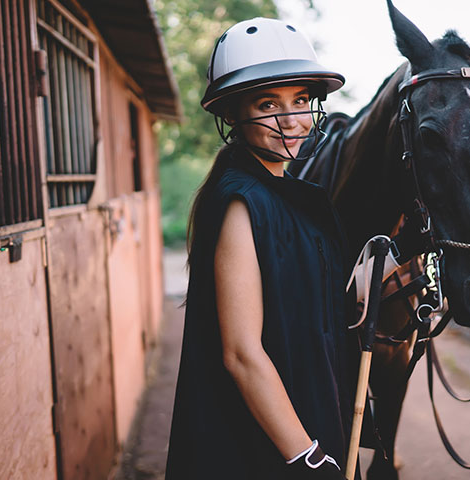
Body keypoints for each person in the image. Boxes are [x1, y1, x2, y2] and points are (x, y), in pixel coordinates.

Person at [164, 17, 352, 479]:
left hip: (306, 418)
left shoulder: (298, 196)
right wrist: (308, 457)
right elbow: (242, 353)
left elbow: (313, 304)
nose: (292, 121)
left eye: (302, 100)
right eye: (269, 103)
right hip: (267, 447)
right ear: (231, 113)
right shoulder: (240, 203)